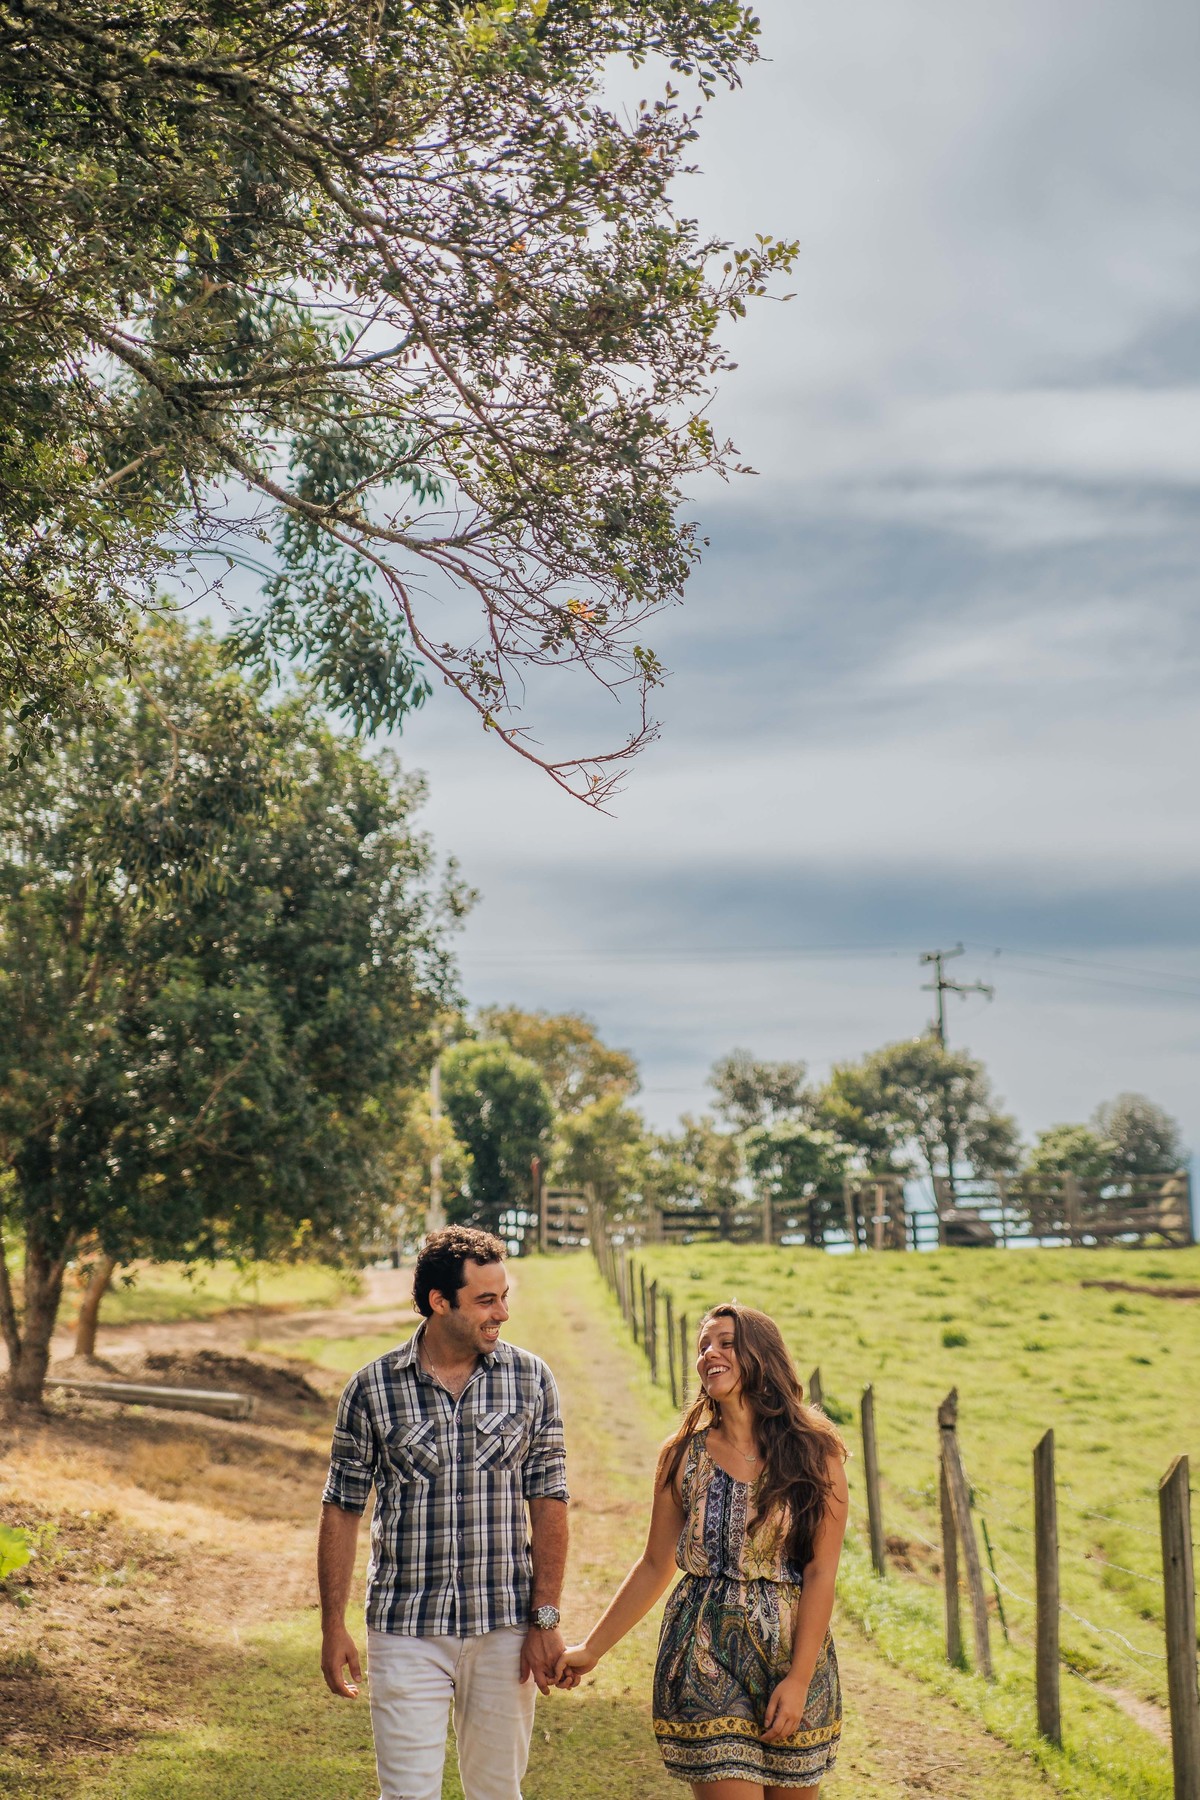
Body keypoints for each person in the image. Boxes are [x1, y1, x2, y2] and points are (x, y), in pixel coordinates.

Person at [317, 1225, 569, 1800]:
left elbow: (550, 1499)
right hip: (407, 1629)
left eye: (505, 1297)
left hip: (505, 1624)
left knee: (497, 1792)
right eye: (486, 1299)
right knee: (407, 1795)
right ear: (439, 1301)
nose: (501, 1312)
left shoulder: (531, 1380)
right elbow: (341, 1509)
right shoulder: (371, 1389)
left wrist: (545, 1619)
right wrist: (333, 1625)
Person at [555, 1302, 847, 1798]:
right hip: (701, 1654)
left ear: (762, 1355)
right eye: (703, 1346)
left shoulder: (816, 1453)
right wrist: (592, 1648)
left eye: (726, 1343)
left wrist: (798, 1680)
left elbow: (821, 1572)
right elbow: (653, 1564)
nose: (709, 1353)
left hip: (793, 1653)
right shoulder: (681, 1455)